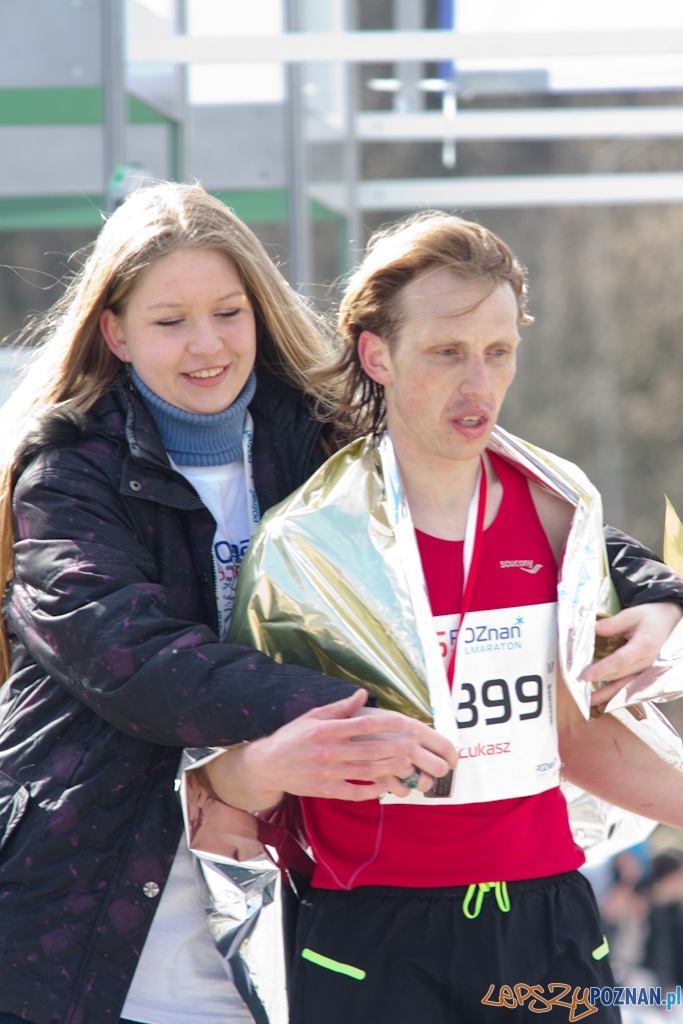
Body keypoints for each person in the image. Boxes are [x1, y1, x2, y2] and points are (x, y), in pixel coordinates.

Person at [204, 212, 683, 1024]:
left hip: (542, 925)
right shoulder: (305, 542)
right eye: (446, 352)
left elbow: (572, 734)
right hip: (370, 936)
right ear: (376, 356)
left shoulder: (557, 511)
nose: (477, 385)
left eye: (498, 352)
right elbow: (231, 774)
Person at [0, 185, 463, 1024]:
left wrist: (648, 589)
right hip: (78, 935)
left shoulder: (329, 444)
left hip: (305, 931)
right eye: (169, 320)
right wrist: (353, 712)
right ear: (116, 333)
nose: (206, 344)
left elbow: (483, 498)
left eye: (227, 312)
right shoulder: (65, 477)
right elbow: (129, 655)